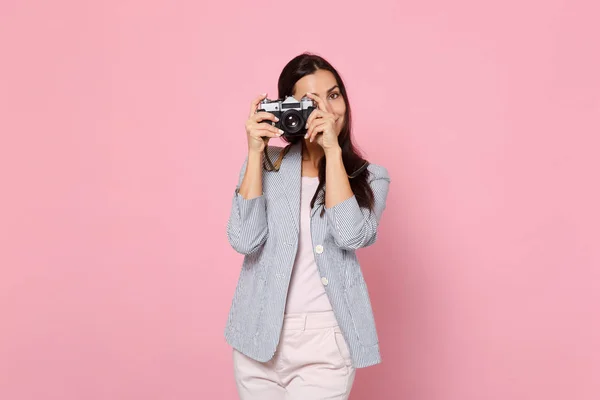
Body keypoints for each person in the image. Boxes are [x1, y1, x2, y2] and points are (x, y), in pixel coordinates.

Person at [224, 52, 391, 400]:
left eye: (334, 95)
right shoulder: (268, 162)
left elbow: (350, 235)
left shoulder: (371, 176)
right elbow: (244, 240)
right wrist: (255, 153)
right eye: (309, 101)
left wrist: (331, 153)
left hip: (325, 342)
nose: (328, 110)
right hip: (258, 334)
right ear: (288, 108)